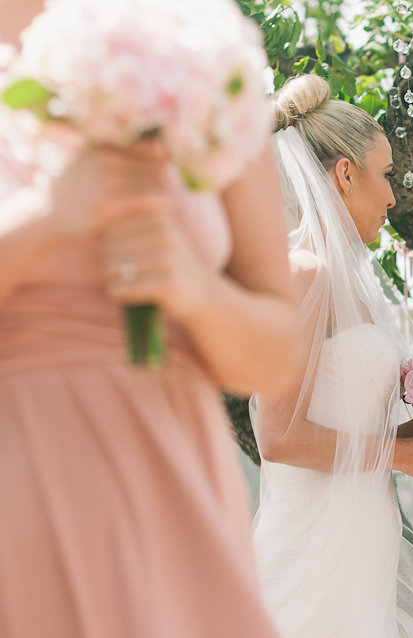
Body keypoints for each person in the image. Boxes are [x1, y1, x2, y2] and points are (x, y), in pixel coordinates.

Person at [0, 1, 301, 637]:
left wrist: (194, 291)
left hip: (168, 481)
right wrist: (42, 222)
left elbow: (277, 359)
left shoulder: (192, 40)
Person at [250, 74, 413, 638]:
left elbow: (342, 416)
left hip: (362, 539)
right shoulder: (303, 273)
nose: (393, 195)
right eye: (386, 174)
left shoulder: (349, 283)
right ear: (345, 175)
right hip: (313, 546)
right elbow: (277, 437)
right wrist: (403, 457)